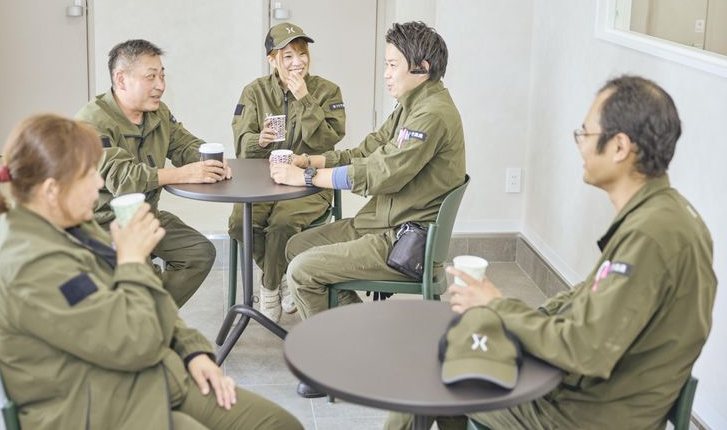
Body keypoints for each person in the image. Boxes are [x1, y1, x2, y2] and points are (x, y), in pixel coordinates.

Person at [385, 75, 717, 430]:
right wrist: (509, 313)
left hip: (586, 413)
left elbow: (584, 348)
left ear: (619, 147)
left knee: (428, 379)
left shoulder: (651, 235)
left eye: (585, 133)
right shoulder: (665, 214)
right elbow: (589, 303)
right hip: (597, 393)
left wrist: (498, 307)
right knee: (451, 359)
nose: (580, 145)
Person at [0, 114, 302, 430]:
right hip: (101, 406)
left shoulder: (71, 226)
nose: (100, 184)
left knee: (280, 425)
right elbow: (133, 343)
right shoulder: (32, 266)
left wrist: (192, 351)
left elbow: (150, 303)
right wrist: (133, 261)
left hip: (144, 379)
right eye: (89, 175)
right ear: (51, 191)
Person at [270, 21, 466, 397]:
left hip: (403, 240)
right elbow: (366, 151)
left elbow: (382, 174)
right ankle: (359, 338)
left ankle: (333, 365)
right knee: (297, 245)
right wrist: (310, 161)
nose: (386, 74)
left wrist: (307, 178)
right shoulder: (410, 105)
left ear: (422, 67)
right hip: (383, 221)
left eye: (392, 65)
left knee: (303, 270)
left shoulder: (431, 115)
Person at [77, 39, 230, 308]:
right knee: (143, 277)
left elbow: (183, 143)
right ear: (121, 79)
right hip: (103, 224)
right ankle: (141, 317)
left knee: (198, 252)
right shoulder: (91, 122)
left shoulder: (157, 113)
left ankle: (152, 317)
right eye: (151, 77)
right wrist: (182, 174)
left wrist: (209, 161)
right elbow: (122, 177)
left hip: (145, 214)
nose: (160, 85)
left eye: (162, 75)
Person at [228, 22, 346, 322]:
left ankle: (268, 288)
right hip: (263, 182)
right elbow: (241, 144)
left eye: (302, 54)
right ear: (272, 59)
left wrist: (305, 98)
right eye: (288, 56)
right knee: (239, 223)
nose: (298, 62)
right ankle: (281, 276)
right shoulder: (254, 92)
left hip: (310, 182)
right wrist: (259, 140)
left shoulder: (327, 90)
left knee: (283, 222)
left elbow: (328, 140)